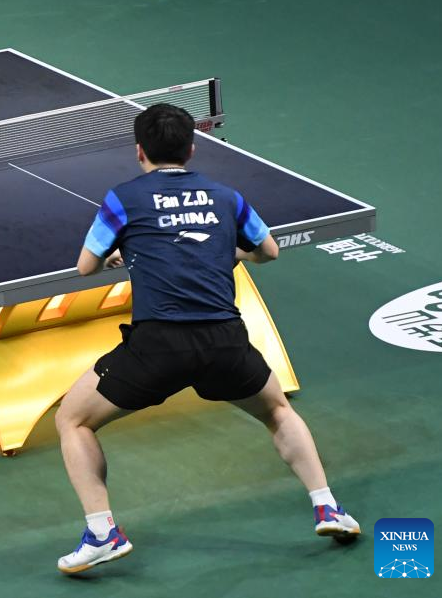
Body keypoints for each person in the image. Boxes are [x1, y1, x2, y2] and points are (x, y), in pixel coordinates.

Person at [54, 104, 360, 574]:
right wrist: (230, 253)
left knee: (72, 420)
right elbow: (269, 251)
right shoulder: (227, 197)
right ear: (192, 149)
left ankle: (102, 533)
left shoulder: (122, 199)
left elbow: (84, 267)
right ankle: (327, 507)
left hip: (157, 347)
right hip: (224, 342)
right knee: (278, 411)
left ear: (139, 151)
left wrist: (120, 254)